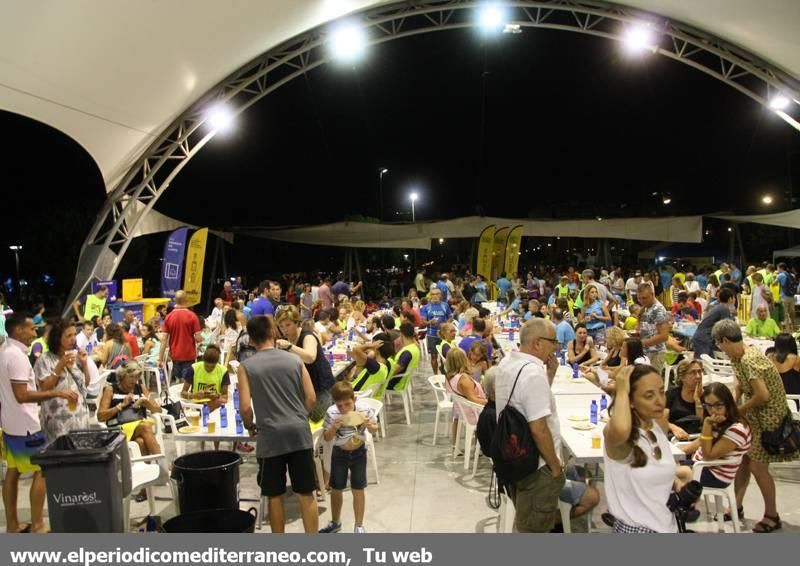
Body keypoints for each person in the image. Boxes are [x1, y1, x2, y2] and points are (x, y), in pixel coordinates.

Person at [237, 315, 319, 533]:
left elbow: (245, 407)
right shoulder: (295, 360)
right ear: (273, 333)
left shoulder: (246, 367)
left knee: (275, 495)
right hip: (299, 433)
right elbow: (311, 398)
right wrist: (300, 417)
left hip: (270, 437)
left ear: (251, 339)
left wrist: (250, 425)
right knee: (306, 492)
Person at [711, 319, 793, 533]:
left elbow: (762, 395)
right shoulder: (739, 358)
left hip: (769, 420)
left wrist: (739, 411)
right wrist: (729, 403)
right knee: (743, 460)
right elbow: (740, 385)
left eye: (720, 345)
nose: (721, 350)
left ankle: (772, 515)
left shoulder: (750, 359)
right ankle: (736, 506)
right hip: (755, 419)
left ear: (726, 341)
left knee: (758, 467)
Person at [1, 313, 77, 533]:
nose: (35, 333)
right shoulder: (16, 356)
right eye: (31, 329)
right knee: (41, 471)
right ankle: (37, 524)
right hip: (26, 425)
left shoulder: (4, 351)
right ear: (18, 330)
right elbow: (22, 395)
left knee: (13, 472)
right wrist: (58, 392)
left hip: (11, 423)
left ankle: (13, 524)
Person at [495, 318, 565, 533]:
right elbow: (539, 428)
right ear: (537, 343)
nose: (556, 347)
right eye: (553, 341)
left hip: (515, 457)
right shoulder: (533, 374)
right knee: (534, 528)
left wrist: (549, 376)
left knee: (525, 516)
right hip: (538, 465)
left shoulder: (507, 363)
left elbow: (526, 402)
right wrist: (554, 466)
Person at [603, 365, 678, 533]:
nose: (660, 401)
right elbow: (621, 429)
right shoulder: (618, 436)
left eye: (661, 391)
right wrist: (621, 390)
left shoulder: (657, 425)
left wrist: (676, 480)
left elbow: (654, 466)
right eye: (649, 395)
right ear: (630, 401)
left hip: (666, 525)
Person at [319, 380, 378, 534]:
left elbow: (374, 429)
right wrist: (334, 427)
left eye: (348, 404)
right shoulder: (332, 412)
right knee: (336, 488)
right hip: (339, 453)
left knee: (358, 488)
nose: (344, 409)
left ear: (354, 400)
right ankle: (335, 521)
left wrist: (369, 425)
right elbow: (326, 437)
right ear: (334, 403)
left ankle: (359, 525)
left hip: (359, 453)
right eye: (340, 405)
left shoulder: (364, 410)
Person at [97, 359, 162, 483]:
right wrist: (121, 405)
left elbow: (158, 410)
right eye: (131, 377)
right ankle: (162, 465)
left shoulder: (140, 388)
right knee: (145, 427)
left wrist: (148, 404)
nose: (134, 380)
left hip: (138, 427)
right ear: (122, 376)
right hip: (119, 429)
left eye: (137, 377)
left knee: (141, 442)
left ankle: (144, 486)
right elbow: (100, 416)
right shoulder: (111, 389)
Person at [680, 382, 752, 490]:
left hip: (714, 474)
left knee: (666, 473)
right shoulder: (719, 419)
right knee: (663, 464)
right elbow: (701, 441)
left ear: (728, 404)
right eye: (708, 406)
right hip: (699, 464)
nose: (712, 410)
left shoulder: (738, 429)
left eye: (718, 405)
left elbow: (708, 456)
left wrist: (707, 425)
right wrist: (677, 454)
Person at [33, 318, 94, 442]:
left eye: (74, 334)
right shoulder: (45, 360)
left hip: (80, 418)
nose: (73, 339)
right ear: (57, 338)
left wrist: (84, 364)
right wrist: (60, 366)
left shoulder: (75, 356)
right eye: (68, 336)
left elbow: (84, 384)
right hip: (57, 421)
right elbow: (44, 388)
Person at [276, 305, 336, 422]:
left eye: (288, 325)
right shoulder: (286, 340)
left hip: (320, 386)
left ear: (297, 323)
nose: (284, 330)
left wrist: (289, 346)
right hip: (304, 389)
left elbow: (310, 357)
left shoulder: (307, 336)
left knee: (318, 422)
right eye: (281, 326)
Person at [159, 290, 202, 382]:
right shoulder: (192, 316)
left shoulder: (168, 317)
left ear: (175, 300)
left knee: (178, 381)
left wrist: (160, 358)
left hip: (175, 355)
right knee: (187, 382)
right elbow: (198, 338)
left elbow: (163, 340)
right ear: (186, 300)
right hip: (189, 354)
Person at [663, 360, 704, 440]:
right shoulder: (672, 394)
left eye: (699, 372)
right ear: (682, 377)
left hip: (696, 438)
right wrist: (674, 428)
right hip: (674, 436)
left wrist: (697, 400)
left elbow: (701, 423)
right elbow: (662, 420)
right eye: (693, 373)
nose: (698, 376)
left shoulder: (706, 396)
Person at [180, 344, 229, 411]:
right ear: (203, 361)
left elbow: (225, 397)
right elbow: (183, 392)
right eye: (206, 366)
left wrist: (217, 396)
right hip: (196, 405)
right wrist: (194, 395)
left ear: (217, 363)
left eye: (212, 367)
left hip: (214, 407)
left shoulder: (223, 371)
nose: (209, 369)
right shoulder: (194, 368)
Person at [636, 283, 670, 373]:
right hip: (646, 352)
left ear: (652, 294)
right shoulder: (647, 307)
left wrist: (640, 343)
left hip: (656, 353)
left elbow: (664, 336)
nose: (641, 301)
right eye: (639, 298)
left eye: (644, 298)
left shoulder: (658, 310)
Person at [691, 288, 735, 357]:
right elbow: (727, 328)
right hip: (704, 338)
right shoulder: (724, 309)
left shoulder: (719, 307)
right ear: (730, 299)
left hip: (703, 337)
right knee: (702, 363)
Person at [420, 288, 452, 375]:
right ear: (430, 296)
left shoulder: (445, 305)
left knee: (445, 356)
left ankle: (444, 372)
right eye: (433, 294)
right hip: (432, 334)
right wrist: (430, 322)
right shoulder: (425, 307)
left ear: (440, 295)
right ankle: (435, 375)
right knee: (434, 356)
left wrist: (446, 324)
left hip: (444, 335)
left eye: (437, 294)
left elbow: (450, 317)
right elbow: (422, 322)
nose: (435, 296)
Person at [387, 322, 421, 388]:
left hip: (396, 384)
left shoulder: (407, 352)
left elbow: (394, 371)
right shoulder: (415, 348)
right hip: (403, 381)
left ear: (402, 334)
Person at [775, 263, 797, 331]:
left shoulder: (780, 275)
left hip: (784, 296)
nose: (777, 270)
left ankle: (788, 330)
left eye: (778, 268)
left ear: (781, 268)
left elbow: (773, 283)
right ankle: (794, 328)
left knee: (785, 314)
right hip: (792, 296)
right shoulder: (792, 275)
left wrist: (775, 276)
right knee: (792, 313)